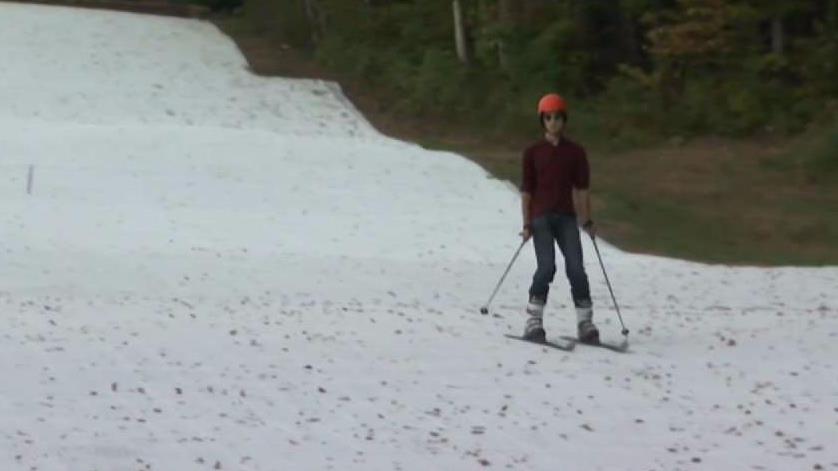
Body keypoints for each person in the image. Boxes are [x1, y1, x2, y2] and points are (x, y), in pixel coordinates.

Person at [519, 93, 599, 344]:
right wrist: (526, 224)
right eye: (548, 118)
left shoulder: (575, 152)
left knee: (576, 268)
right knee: (547, 266)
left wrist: (587, 220)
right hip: (541, 218)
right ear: (542, 121)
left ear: (564, 120)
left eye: (557, 117)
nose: (553, 122)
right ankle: (533, 321)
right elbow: (527, 191)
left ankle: (585, 323)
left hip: (566, 218)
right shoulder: (532, 152)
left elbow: (583, 189)